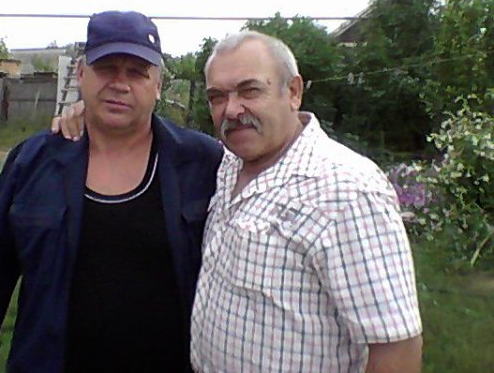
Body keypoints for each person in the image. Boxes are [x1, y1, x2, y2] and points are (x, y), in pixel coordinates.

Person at [56, 30, 423, 372]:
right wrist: (94, 117)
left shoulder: (345, 191)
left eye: (249, 91)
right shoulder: (226, 164)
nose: (231, 109)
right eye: (218, 96)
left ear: (293, 92)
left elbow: (396, 346)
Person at [0, 10, 223, 373]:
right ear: (82, 74)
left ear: (158, 85)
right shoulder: (32, 162)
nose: (120, 84)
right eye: (106, 68)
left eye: (137, 72)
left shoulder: (204, 162)